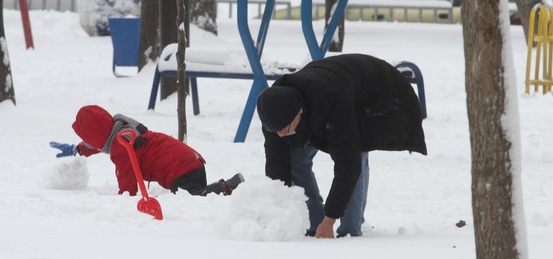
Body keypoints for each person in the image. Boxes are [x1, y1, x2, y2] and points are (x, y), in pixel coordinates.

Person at [256, 54, 427, 239]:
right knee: (294, 159)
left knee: (356, 152)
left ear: (299, 112)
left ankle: (350, 231)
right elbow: (277, 163)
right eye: (275, 130)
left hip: (383, 96)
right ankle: (314, 222)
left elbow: (348, 165)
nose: (280, 134)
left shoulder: (330, 102)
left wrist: (330, 218)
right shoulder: (274, 110)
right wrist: (279, 209)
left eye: (284, 128)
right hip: (336, 87)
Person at [50, 105, 244, 196]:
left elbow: (127, 183)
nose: (87, 142)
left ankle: (224, 187)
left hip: (178, 170)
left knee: (195, 198)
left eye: (86, 138)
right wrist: (78, 149)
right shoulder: (122, 132)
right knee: (195, 194)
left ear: (95, 136)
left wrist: (124, 201)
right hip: (190, 161)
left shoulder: (121, 147)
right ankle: (221, 189)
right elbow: (100, 143)